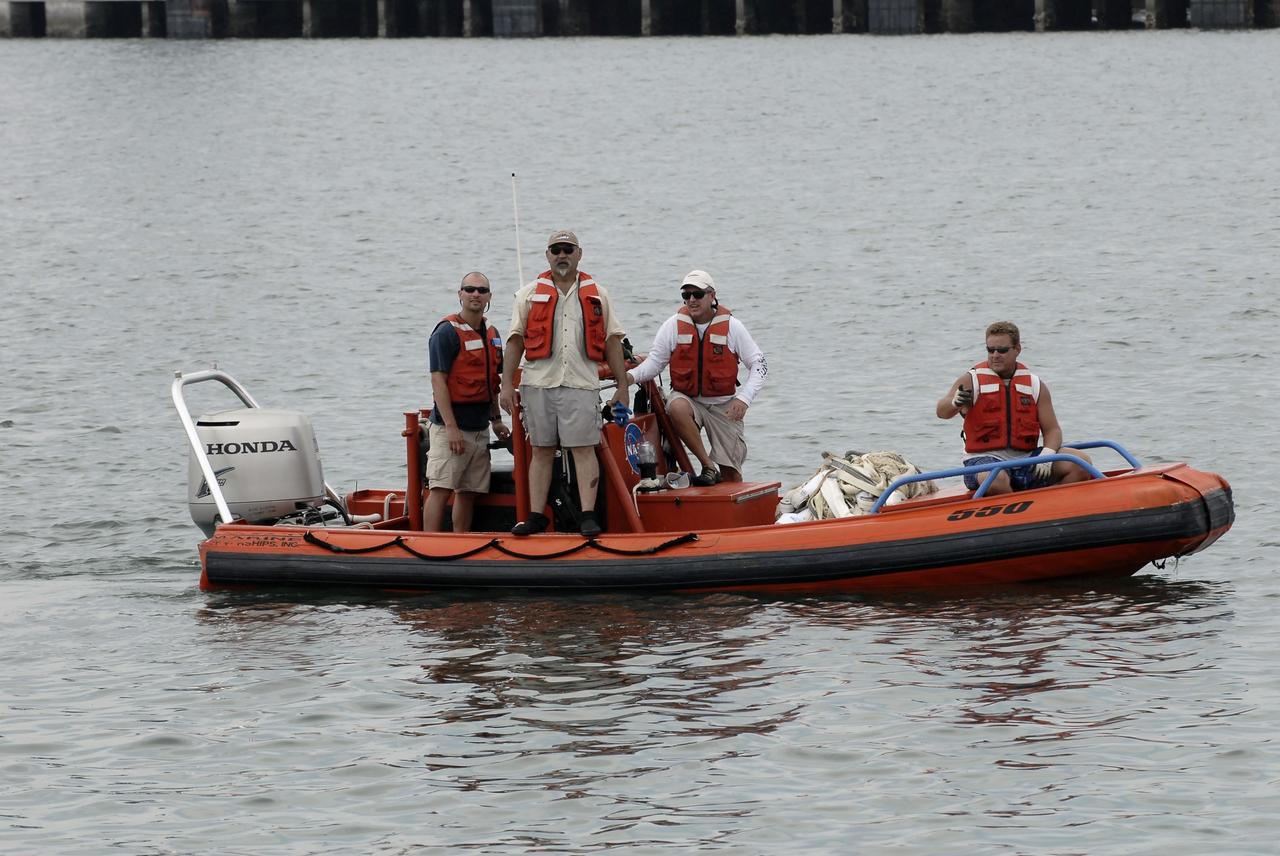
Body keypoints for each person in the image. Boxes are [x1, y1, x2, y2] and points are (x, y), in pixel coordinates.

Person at [499, 230, 629, 537]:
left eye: (567, 249)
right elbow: (515, 342)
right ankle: (535, 516)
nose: (562, 254)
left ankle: (587, 516)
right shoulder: (528, 294)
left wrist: (622, 385)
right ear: (547, 255)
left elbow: (612, 341)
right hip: (538, 384)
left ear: (579, 254)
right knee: (541, 450)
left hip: (581, 384)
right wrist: (506, 383)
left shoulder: (599, 293)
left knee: (584, 449)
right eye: (556, 249)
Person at [624, 270, 767, 486]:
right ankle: (707, 465)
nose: (691, 299)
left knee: (732, 475)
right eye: (686, 294)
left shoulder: (733, 327)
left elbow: (760, 365)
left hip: (724, 405)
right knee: (676, 406)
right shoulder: (672, 326)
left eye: (697, 294)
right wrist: (628, 377)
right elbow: (655, 363)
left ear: (712, 296)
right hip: (689, 400)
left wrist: (744, 399)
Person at [936, 320, 1091, 495]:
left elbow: (1053, 430)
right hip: (982, 461)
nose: (995, 355)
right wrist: (954, 402)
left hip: (1026, 458)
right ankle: (1019, 514)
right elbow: (942, 412)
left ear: (1017, 349)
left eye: (1002, 350)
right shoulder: (971, 380)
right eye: (990, 350)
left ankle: (1050, 507)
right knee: (996, 478)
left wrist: (1046, 455)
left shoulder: (1034, 385)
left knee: (1080, 462)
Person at [423, 272, 511, 532]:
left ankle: (461, 540)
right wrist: (450, 427)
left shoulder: (492, 332)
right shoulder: (446, 333)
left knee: (468, 491)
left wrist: (496, 420)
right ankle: (429, 545)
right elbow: (438, 382)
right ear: (459, 294)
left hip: (479, 426)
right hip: (451, 426)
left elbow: (492, 382)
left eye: (481, 290)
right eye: (470, 289)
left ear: (489, 297)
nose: (476, 294)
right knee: (440, 488)